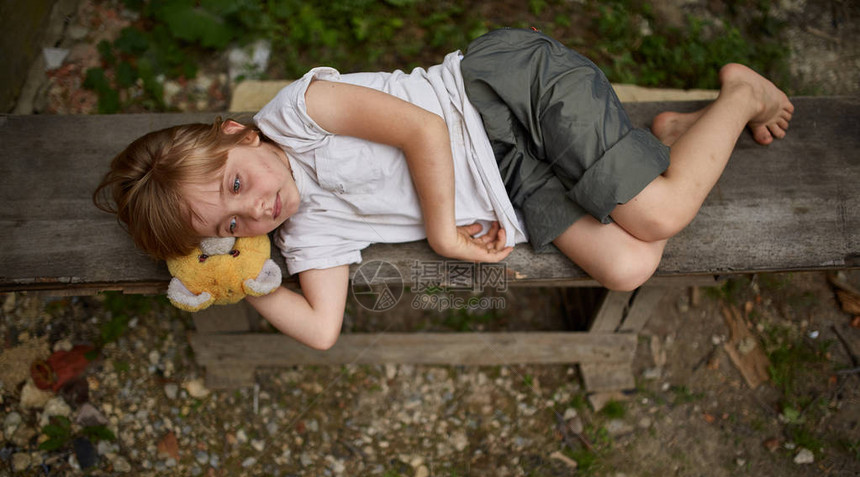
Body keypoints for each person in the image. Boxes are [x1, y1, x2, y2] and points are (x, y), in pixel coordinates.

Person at [94, 28, 793, 350]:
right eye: (235, 223)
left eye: (237, 183)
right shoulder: (306, 233)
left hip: (500, 93)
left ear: (238, 132)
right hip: (514, 179)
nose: (257, 208)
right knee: (629, 264)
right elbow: (321, 330)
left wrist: (442, 233)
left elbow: (425, 131)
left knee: (660, 210)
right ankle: (675, 136)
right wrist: (233, 275)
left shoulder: (299, 115)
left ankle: (740, 93)